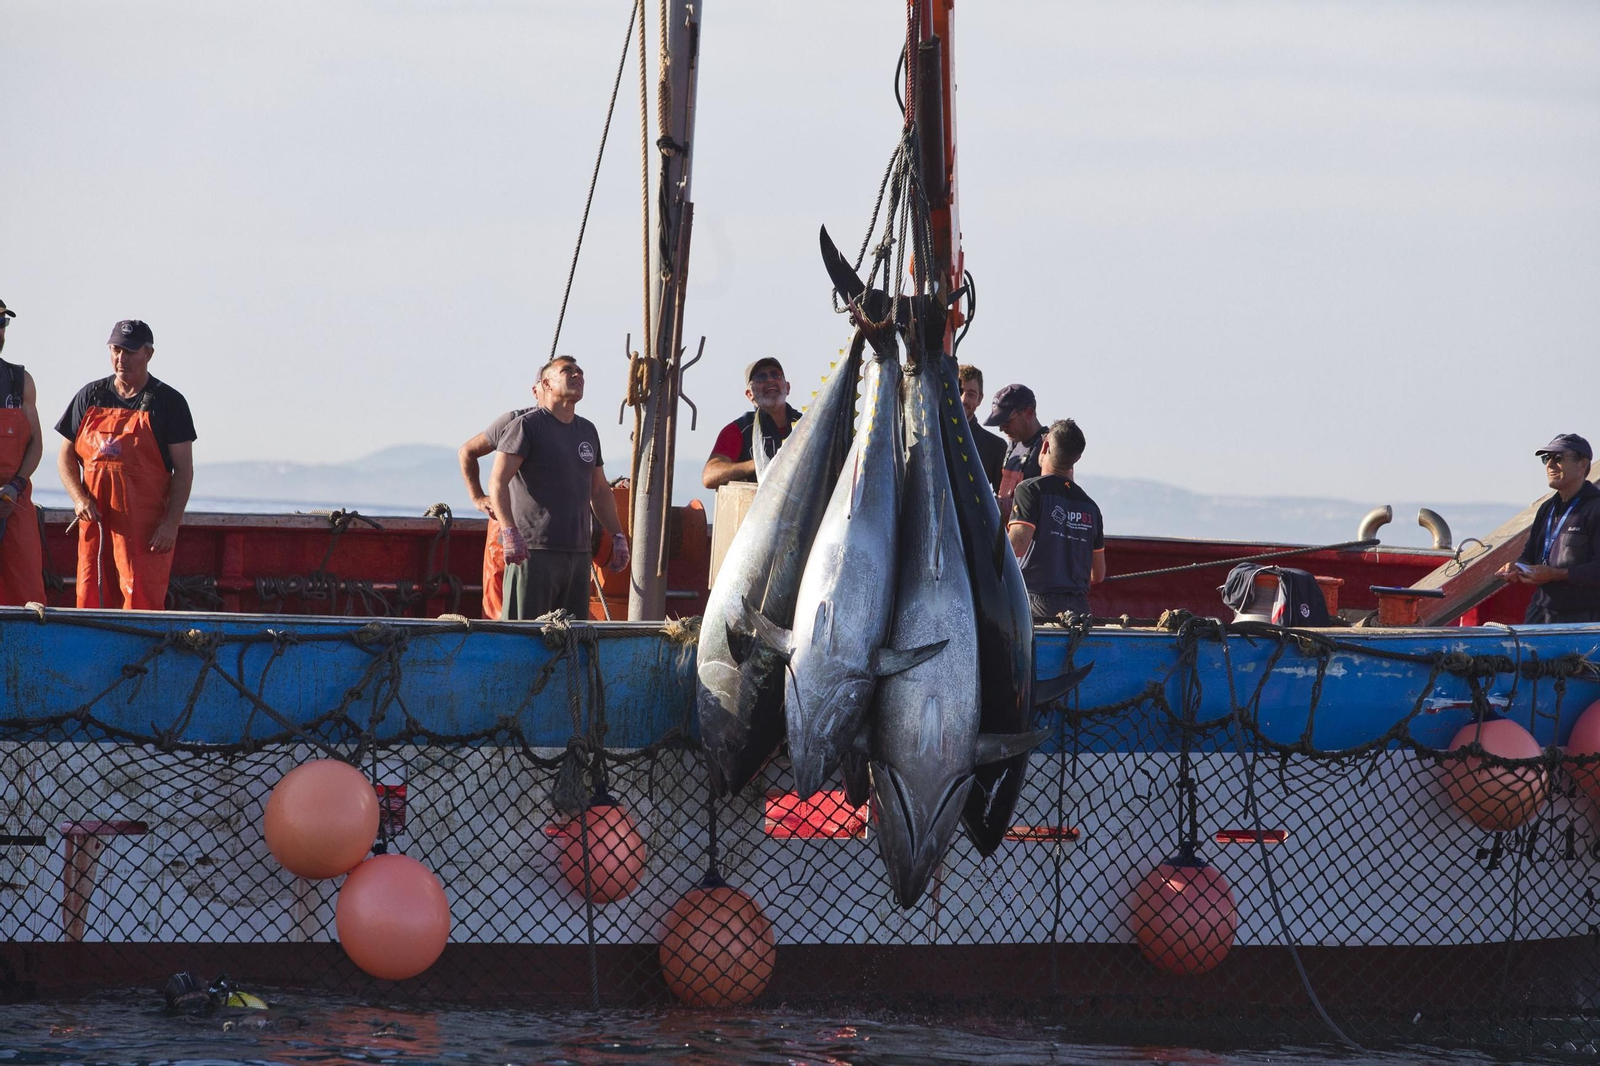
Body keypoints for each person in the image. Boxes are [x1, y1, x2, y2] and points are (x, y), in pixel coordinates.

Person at [56, 320, 196, 610]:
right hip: (95, 523)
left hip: (145, 531)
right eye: (116, 350)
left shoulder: (169, 403)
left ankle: (139, 654)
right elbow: (65, 456)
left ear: (149, 353)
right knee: (90, 595)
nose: (121, 359)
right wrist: (78, 498)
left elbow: (184, 470)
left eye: (130, 352)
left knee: (140, 600)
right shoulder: (90, 395)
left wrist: (171, 524)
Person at [489, 356, 628, 620]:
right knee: (523, 637)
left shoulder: (587, 431)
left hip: (577, 554)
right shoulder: (526, 427)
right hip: (533, 552)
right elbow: (497, 482)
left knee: (571, 639)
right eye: (567, 371)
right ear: (547, 383)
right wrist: (509, 532)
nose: (578, 376)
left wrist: (617, 536)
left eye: (580, 372)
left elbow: (598, 491)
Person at [1007, 418, 1105, 621]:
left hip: (1036, 605)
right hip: (1079, 609)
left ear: (1045, 447)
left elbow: (1016, 546)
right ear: (1076, 458)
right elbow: (1098, 574)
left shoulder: (1030, 490)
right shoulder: (1091, 507)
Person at [1496, 433, 1600, 623]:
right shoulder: (1547, 508)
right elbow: (1529, 555)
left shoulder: (1596, 507)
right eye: (1546, 458)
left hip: (1584, 618)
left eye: (1558, 458)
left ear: (1582, 464)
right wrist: (1517, 568)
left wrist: (1557, 574)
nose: (1550, 465)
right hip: (1541, 613)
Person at [458, 385, 538, 619]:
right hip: (506, 523)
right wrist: (477, 497)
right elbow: (467, 452)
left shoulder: (574, 427)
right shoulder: (514, 421)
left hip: (546, 530)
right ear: (540, 388)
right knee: (498, 601)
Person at [0, 299, 46, 606]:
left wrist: (15, 487)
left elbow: (35, 444)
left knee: (28, 596)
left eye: (2, 324)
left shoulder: (20, 381)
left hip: (13, 501)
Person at [701, 358, 802, 489]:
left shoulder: (807, 425)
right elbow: (709, 476)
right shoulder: (738, 430)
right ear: (750, 394)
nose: (770, 380)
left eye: (776, 374)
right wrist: (760, 464)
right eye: (760, 377)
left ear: (787, 387)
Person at [984, 383, 1044, 517]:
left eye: (1007, 421)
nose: (1001, 428)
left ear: (1029, 413)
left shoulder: (1047, 447)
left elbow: (1055, 502)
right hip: (1004, 532)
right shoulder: (1012, 444)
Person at [958, 363, 1006, 494]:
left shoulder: (995, 447)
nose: (963, 399)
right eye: (959, 391)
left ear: (980, 399)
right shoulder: (931, 436)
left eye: (971, 394)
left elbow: (1000, 501)